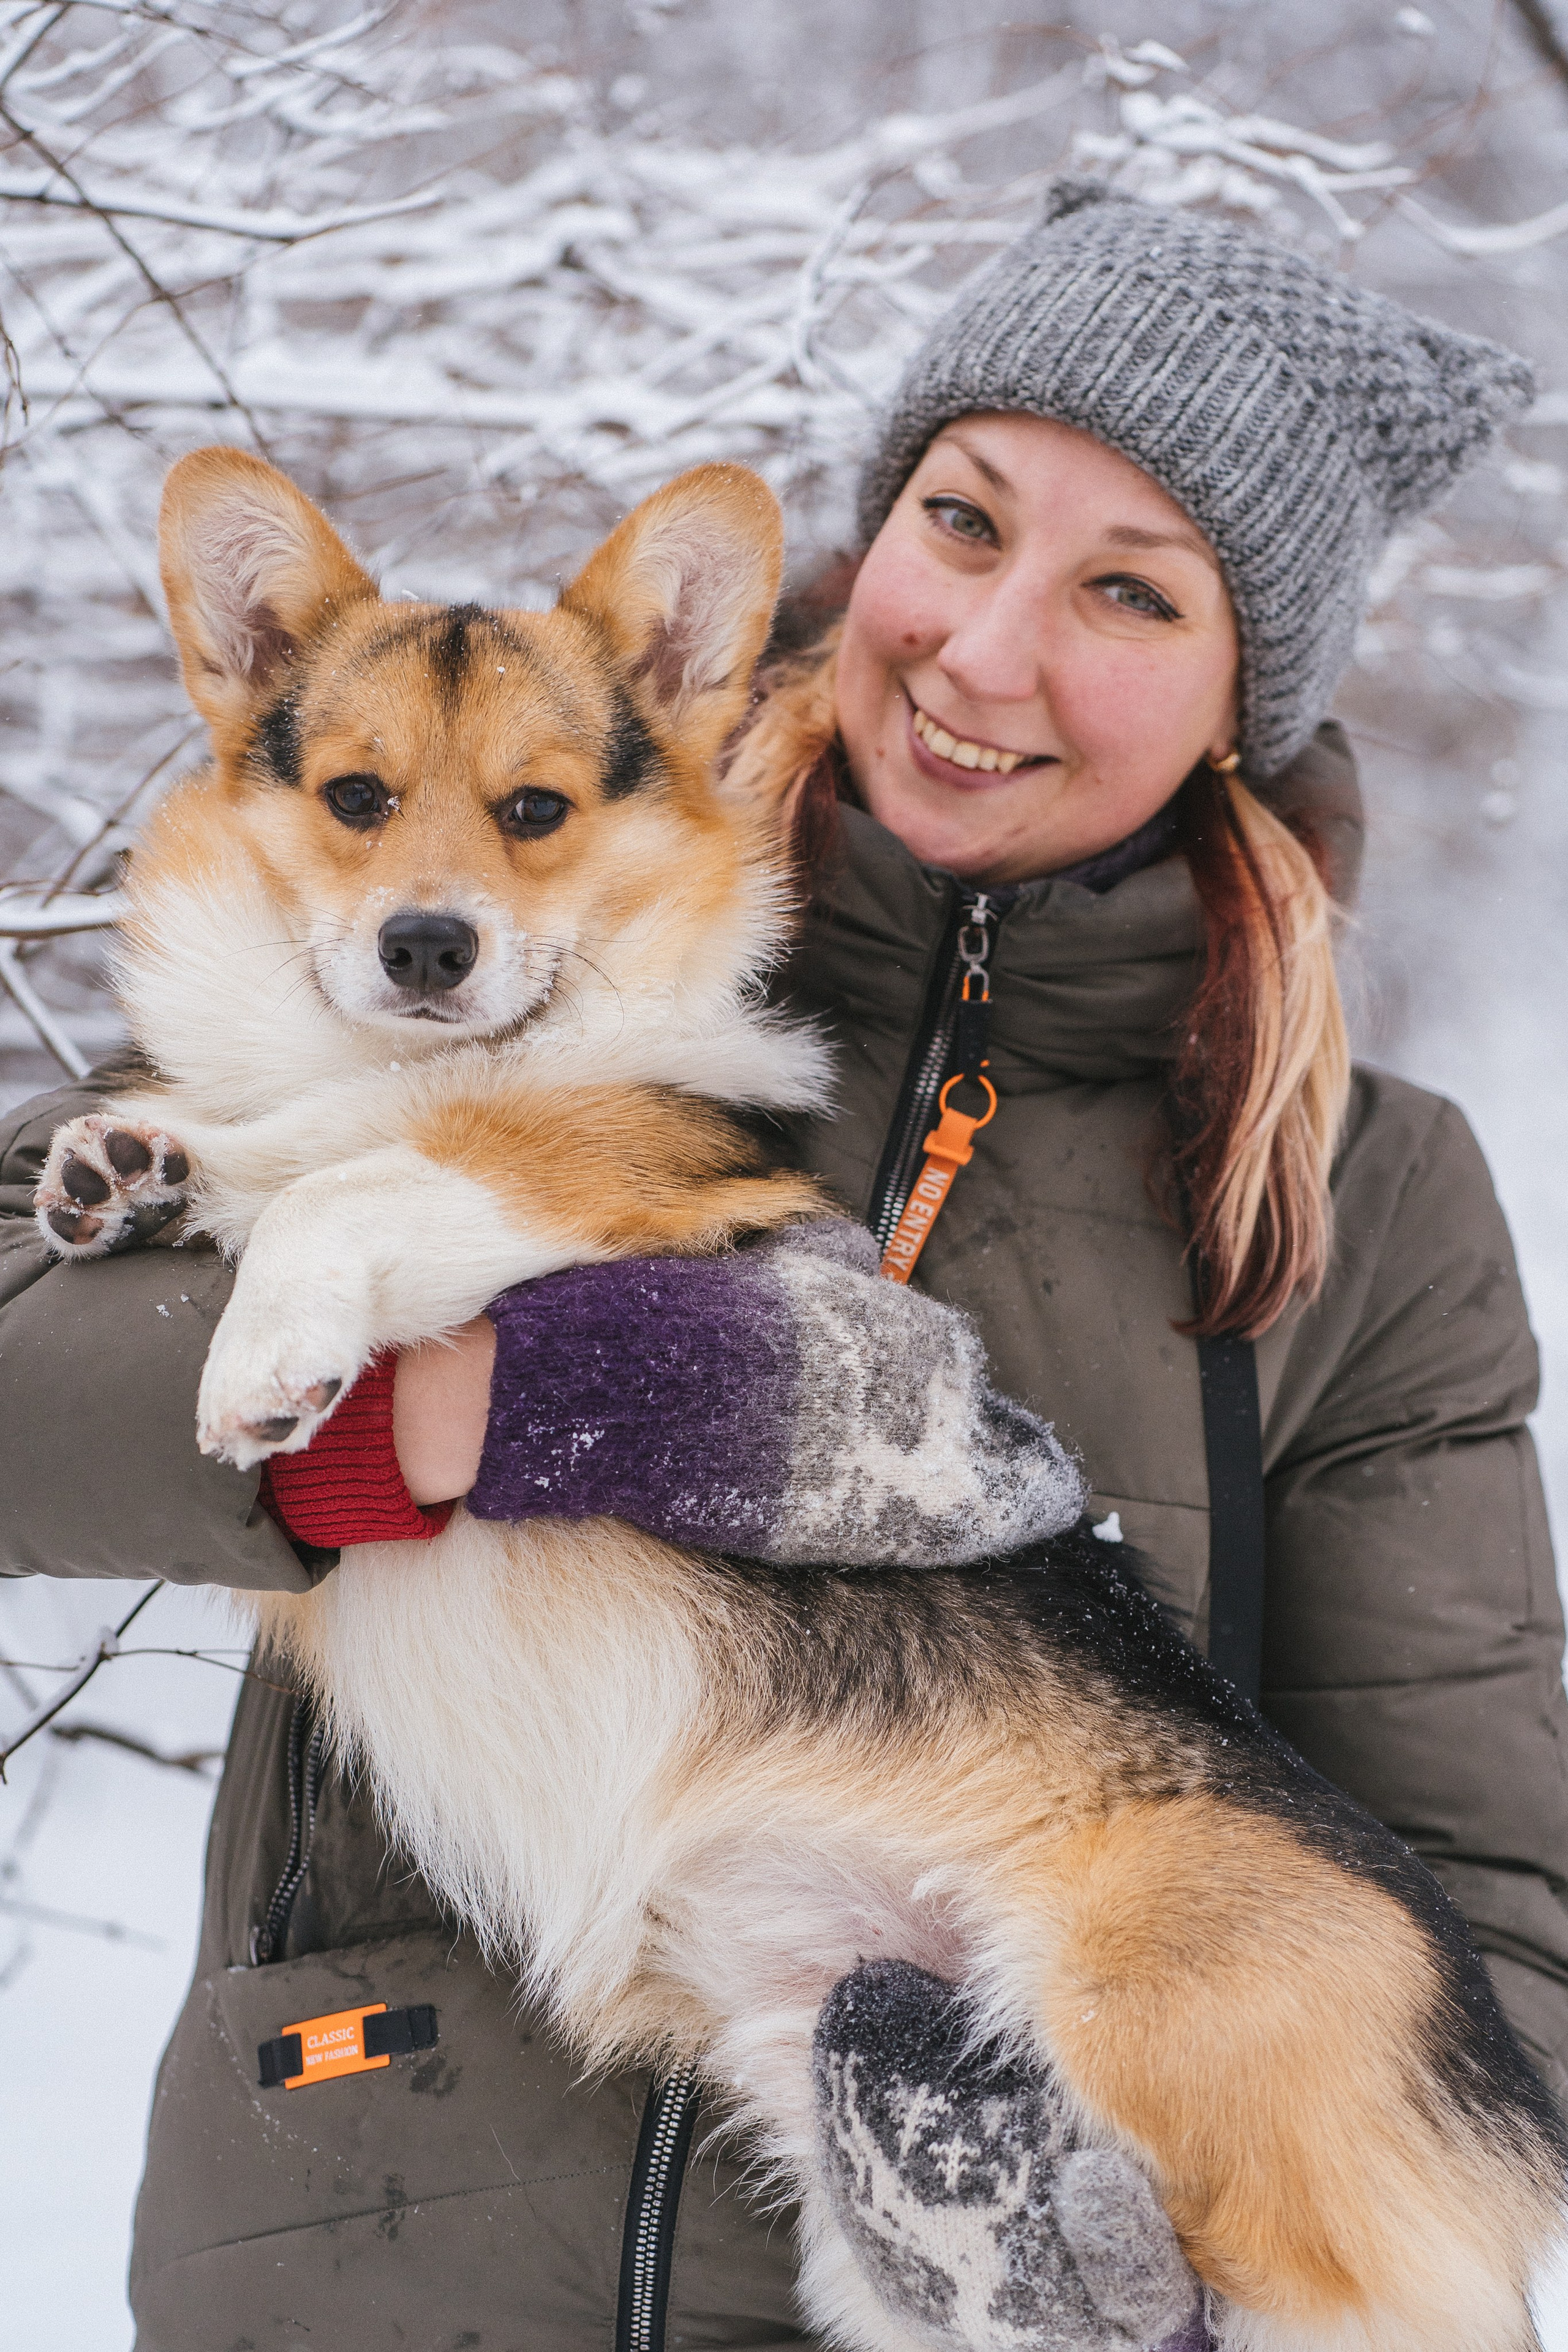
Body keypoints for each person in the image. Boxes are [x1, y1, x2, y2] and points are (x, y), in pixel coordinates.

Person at [2, 179, 1563, 2351]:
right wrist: (461, 1422)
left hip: (970, 2082)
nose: (992, 649)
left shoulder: (1369, 1197)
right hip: (385, 2256)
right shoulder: (545, 971)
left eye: (1131, 593)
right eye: (965, 518)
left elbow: (1492, 1928)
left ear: (1243, 692)